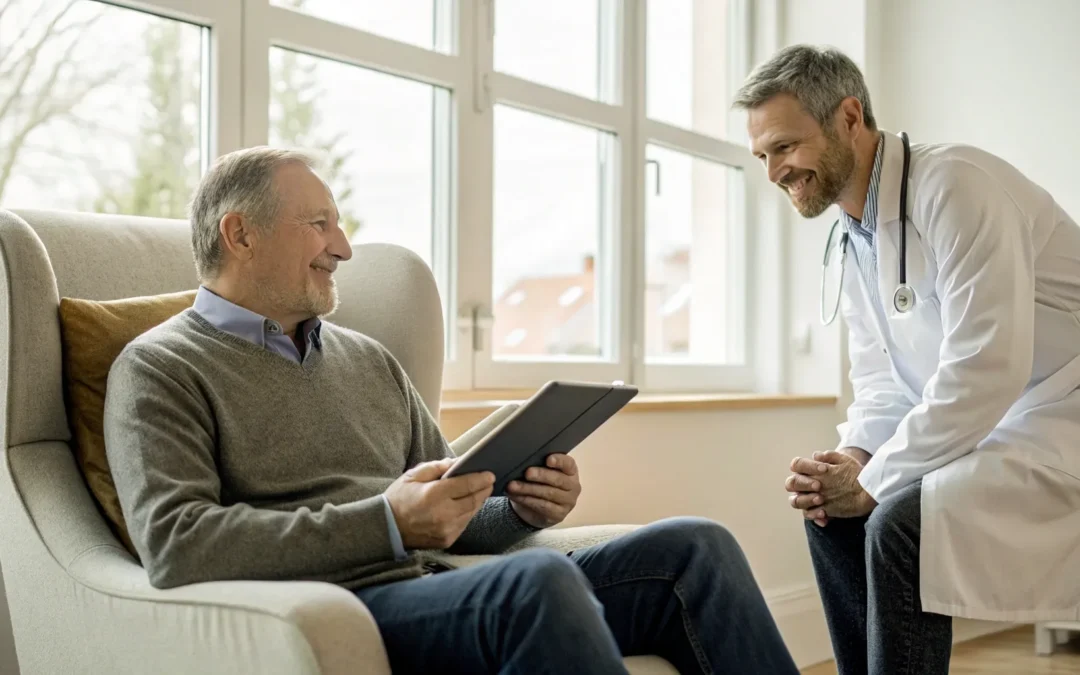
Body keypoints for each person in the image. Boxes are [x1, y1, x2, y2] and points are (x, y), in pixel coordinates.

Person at [102, 146, 799, 675]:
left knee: (695, 546)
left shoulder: (366, 360)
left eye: (338, 226)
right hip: (338, 608)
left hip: (439, 588)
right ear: (240, 233)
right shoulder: (161, 367)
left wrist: (522, 507)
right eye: (319, 224)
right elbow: (178, 543)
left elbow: (452, 514)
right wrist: (386, 522)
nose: (343, 247)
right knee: (537, 582)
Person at [732, 43, 1080, 675]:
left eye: (785, 146)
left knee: (898, 521)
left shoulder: (958, 185)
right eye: (762, 156)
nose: (774, 172)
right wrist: (854, 458)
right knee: (827, 513)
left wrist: (870, 481)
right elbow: (885, 384)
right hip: (998, 424)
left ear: (848, 117)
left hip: (1061, 418)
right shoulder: (853, 232)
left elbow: (988, 367)